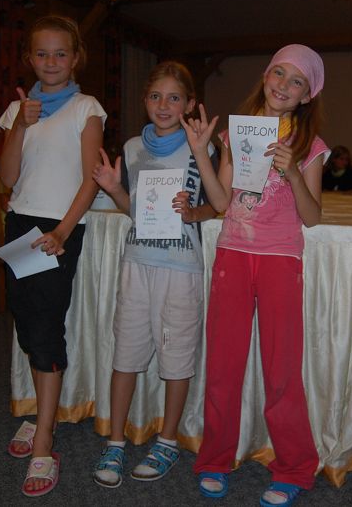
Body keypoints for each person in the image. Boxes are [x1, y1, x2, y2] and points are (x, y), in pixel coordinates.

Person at [181, 44, 329, 507]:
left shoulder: (309, 144)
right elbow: (221, 202)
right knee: (223, 364)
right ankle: (214, 459)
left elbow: (313, 217)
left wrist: (294, 174)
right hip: (233, 253)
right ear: (265, 76)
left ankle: (295, 466)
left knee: (281, 369)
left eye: (297, 81)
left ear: (307, 95)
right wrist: (201, 151)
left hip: (280, 258)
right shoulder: (235, 133)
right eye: (278, 73)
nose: (284, 85)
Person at [90, 61, 217, 489]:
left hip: (181, 269)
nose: (164, 105)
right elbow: (136, 210)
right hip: (137, 264)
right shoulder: (132, 148)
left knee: (176, 359)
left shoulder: (202, 147)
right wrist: (114, 188)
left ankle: (167, 441)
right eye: (156, 96)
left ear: (190, 104)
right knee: (125, 353)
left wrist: (194, 211)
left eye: (174, 98)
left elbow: (217, 204)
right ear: (145, 100)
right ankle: (116, 440)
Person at [0, 14, 105, 498]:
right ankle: (44, 415)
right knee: (27, 323)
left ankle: (44, 436)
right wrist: (20, 125)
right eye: (42, 53)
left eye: (61, 53)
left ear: (76, 58)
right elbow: (7, 177)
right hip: (20, 224)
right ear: (29, 58)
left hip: (57, 228)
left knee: (45, 327)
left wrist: (62, 230)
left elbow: (90, 178)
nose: (52, 61)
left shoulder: (86, 107)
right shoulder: (18, 110)